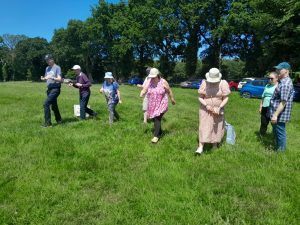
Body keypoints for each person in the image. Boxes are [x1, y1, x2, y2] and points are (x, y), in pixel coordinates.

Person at [196, 68, 231, 154]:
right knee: (204, 126)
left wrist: (219, 107)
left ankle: (214, 144)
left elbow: (226, 98)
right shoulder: (205, 83)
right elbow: (200, 97)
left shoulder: (223, 83)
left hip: (218, 109)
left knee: (217, 126)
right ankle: (201, 146)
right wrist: (206, 105)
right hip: (205, 109)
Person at [140, 68, 176, 143]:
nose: (152, 78)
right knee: (154, 118)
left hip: (162, 103)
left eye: (154, 77)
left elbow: (169, 91)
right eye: (151, 77)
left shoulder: (163, 82)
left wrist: (172, 99)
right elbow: (145, 88)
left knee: (157, 118)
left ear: (158, 75)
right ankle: (160, 132)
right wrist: (142, 93)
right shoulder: (149, 81)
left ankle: (156, 136)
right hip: (152, 104)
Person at [269, 62, 294, 152]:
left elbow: (283, 102)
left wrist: (275, 115)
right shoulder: (282, 81)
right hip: (277, 113)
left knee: (280, 133)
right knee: (276, 132)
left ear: (286, 71)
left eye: (280, 69)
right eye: (277, 69)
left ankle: (280, 153)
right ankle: (277, 148)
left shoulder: (285, 84)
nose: (277, 71)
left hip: (280, 114)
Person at [40, 54, 62, 127]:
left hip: (55, 89)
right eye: (46, 60)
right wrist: (44, 78)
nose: (47, 61)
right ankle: (59, 120)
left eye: (48, 60)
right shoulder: (47, 68)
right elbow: (47, 77)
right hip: (49, 89)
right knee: (54, 106)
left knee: (46, 104)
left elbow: (59, 79)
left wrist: (52, 77)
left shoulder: (57, 67)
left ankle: (48, 123)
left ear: (52, 59)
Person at [259, 72, 278, 136]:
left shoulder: (278, 86)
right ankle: (262, 135)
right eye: (268, 78)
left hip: (273, 107)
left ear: (276, 78)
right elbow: (263, 96)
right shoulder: (267, 86)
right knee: (263, 122)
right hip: (265, 106)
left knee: (274, 123)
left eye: (271, 78)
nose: (269, 80)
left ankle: (275, 136)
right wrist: (261, 106)